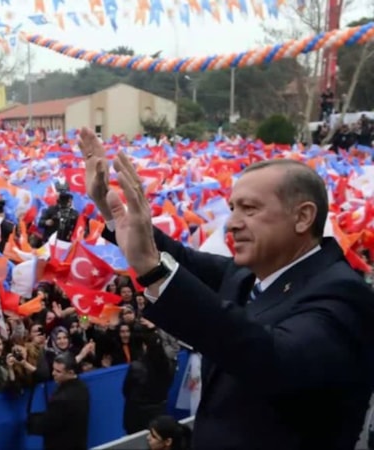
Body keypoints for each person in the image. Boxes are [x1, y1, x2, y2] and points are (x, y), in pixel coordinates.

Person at [78, 126, 374, 449]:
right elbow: (180, 260)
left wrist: (153, 268)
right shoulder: (245, 276)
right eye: (232, 208)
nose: (231, 223)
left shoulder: (344, 295)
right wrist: (114, 213)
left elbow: (272, 358)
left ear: (303, 217)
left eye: (250, 209)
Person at [38, 353, 90, 450]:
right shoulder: (83, 388)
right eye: (53, 369)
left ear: (70, 372)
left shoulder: (60, 399)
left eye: (58, 371)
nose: (53, 373)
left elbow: (48, 426)